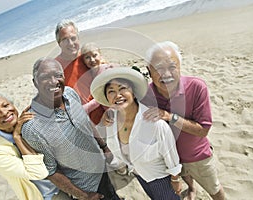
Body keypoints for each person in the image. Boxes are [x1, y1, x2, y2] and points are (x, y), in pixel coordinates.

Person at [21, 57, 120, 200]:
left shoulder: (70, 93)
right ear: (35, 82)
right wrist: (84, 195)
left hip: (101, 168)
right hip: (86, 187)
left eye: (58, 75)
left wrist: (104, 147)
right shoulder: (32, 128)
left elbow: (85, 122)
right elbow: (51, 171)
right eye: (45, 77)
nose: (54, 81)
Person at [141, 41, 225, 200]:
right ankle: (192, 188)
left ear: (180, 67)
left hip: (198, 156)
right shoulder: (147, 95)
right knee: (187, 181)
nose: (166, 74)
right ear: (149, 71)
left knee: (215, 190)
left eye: (172, 67)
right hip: (171, 161)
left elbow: (203, 130)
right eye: (159, 68)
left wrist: (168, 116)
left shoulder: (196, 87)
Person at [90, 67, 182, 200]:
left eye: (122, 88)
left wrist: (175, 179)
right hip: (140, 175)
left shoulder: (155, 123)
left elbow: (170, 154)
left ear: (133, 93)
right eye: (111, 91)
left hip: (161, 178)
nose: (118, 95)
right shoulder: (110, 122)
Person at [0, 91, 70, 200]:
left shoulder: (30, 123)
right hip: (50, 195)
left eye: (6, 105)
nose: (4, 113)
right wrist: (17, 137)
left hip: (71, 180)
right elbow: (39, 172)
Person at [55, 20, 104, 126]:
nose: (71, 43)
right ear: (59, 43)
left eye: (73, 38)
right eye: (65, 40)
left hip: (106, 115)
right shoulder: (55, 67)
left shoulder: (89, 56)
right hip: (82, 124)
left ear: (78, 38)